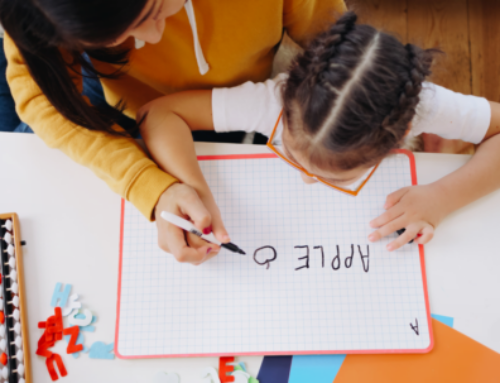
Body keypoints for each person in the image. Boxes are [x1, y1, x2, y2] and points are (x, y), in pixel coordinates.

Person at [0, 0, 347, 265]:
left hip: (240, 105)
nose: (151, 38)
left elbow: (341, 44)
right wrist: (148, 184)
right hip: (123, 116)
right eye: (118, 39)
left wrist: (334, 126)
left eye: (153, 10)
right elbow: (42, 101)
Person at [138, 12, 500, 257]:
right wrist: (196, 192)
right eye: (295, 157)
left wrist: (441, 198)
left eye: (328, 175)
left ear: (399, 136)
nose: (306, 179)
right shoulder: (271, 101)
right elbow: (157, 113)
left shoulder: (427, 106)